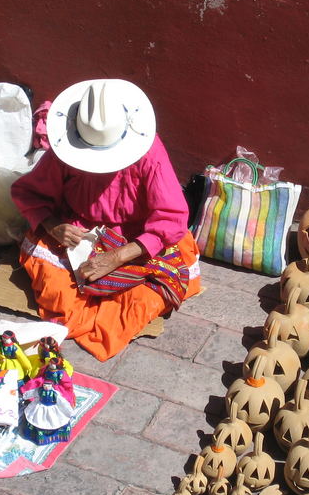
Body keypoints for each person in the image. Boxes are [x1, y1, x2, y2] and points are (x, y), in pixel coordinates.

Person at [11, 79, 201, 361]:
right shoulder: (64, 151)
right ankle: (95, 302)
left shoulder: (149, 152)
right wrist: (54, 226)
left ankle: (105, 307)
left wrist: (117, 257)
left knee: (151, 292)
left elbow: (171, 218)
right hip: (79, 230)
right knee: (56, 289)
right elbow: (29, 193)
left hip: (138, 239)